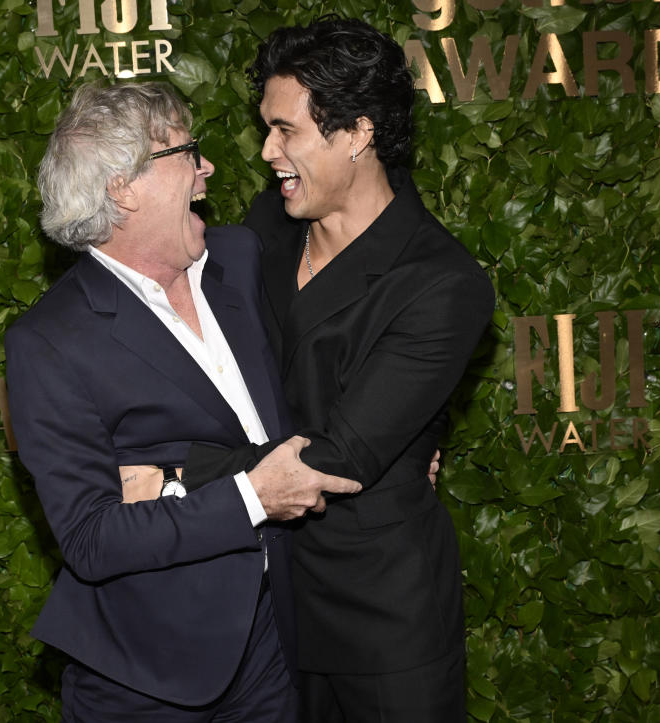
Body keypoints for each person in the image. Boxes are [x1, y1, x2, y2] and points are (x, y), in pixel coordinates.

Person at [4, 82, 361, 722]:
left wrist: (395, 437)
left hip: (278, 644)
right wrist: (253, 495)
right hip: (146, 677)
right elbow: (92, 537)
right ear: (123, 188)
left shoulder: (238, 256)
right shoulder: (49, 342)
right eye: (186, 152)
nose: (208, 167)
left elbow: (324, 354)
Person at [176, 17, 495, 722]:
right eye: (266, 127)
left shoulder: (442, 283)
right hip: (263, 602)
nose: (266, 151)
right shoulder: (263, 229)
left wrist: (177, 474)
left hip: (381, 621)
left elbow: (341, 457)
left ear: (358, 132)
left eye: (286, 129)